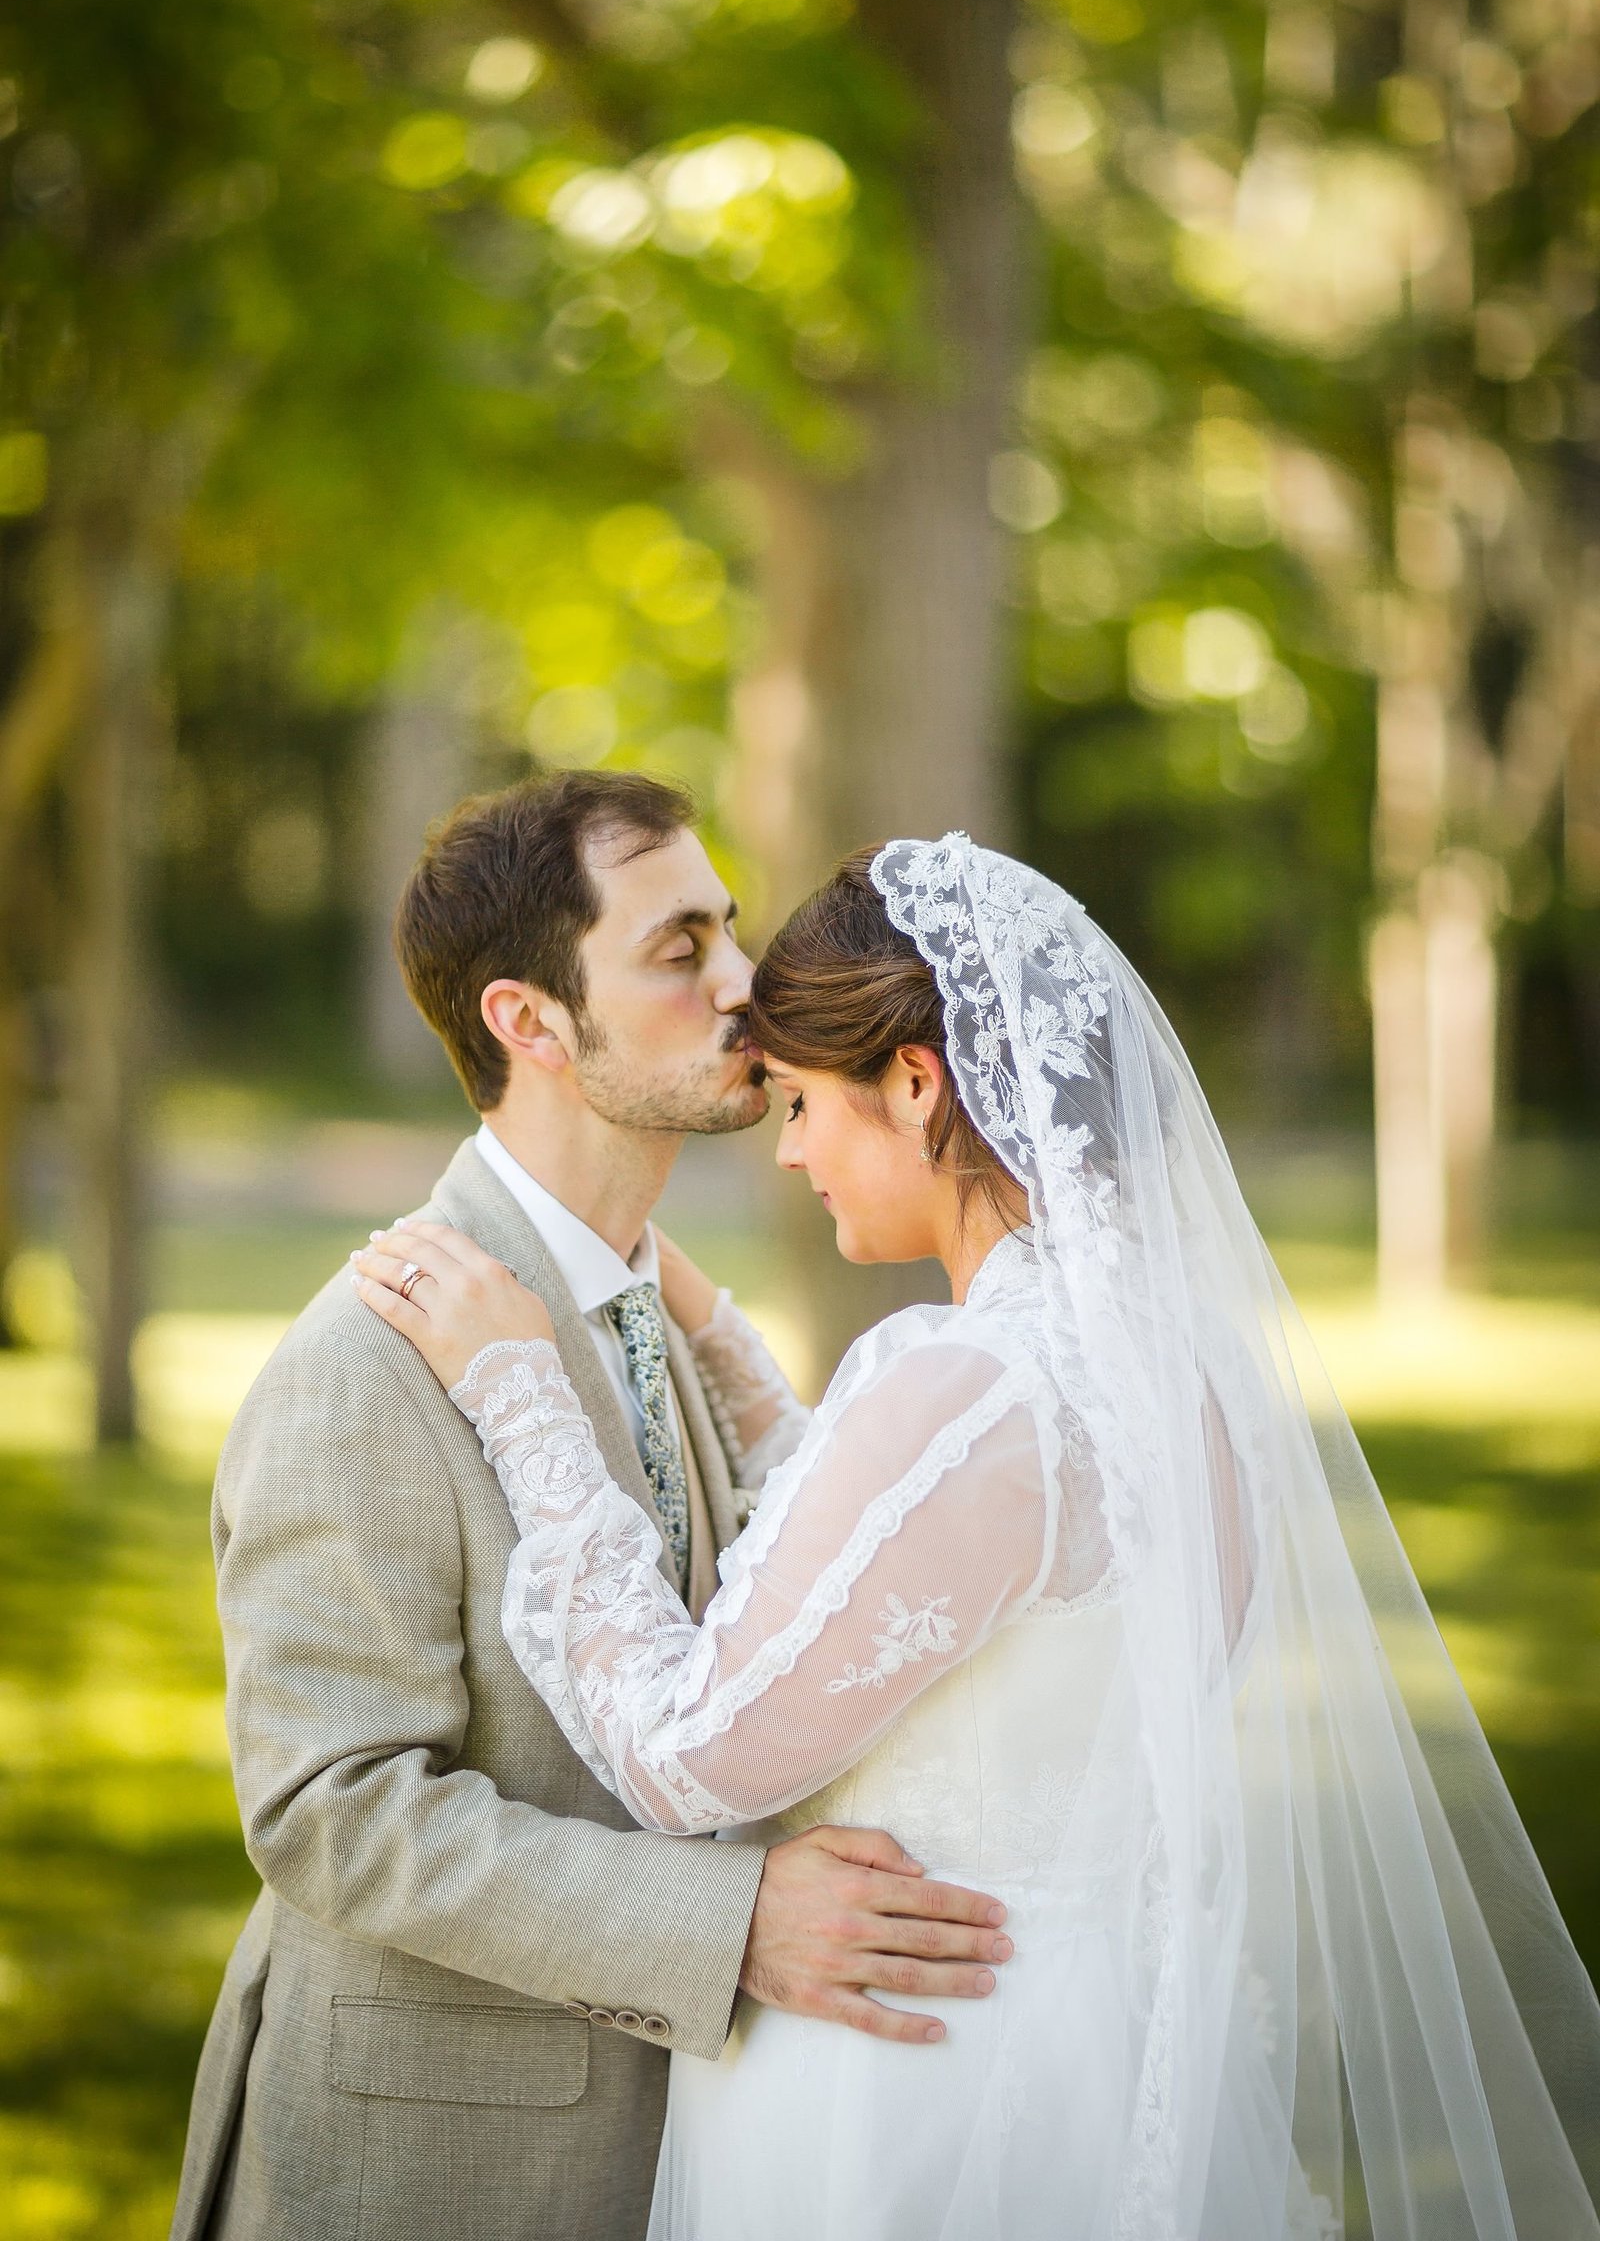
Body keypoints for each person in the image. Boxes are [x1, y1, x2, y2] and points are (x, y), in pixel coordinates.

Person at [355, 831, 1600, 2241]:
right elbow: (924, 1567)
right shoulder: (1183, 1383)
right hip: (1096, 2049)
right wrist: (715, 1334)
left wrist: (525, 1395)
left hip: (907, 2098)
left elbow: (680, 1757)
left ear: (917, 1082)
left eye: (807, 1105)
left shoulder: (962, 1385)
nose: (800, 1150)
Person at [170, 778, 1012, 2241]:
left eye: (727, 932)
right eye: (681, 951)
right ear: (532, 1024)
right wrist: (731, 1924)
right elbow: (331, 1809)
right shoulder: (365, 1362)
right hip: (429, 2171)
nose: (747, 988)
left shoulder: (645, 1304)